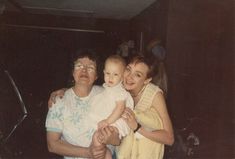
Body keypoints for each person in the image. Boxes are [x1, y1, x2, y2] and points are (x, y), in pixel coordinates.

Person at [49, 53, 174, 159]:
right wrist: (65, 91)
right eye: (129, 69)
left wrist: (137, 128)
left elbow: (169, 138)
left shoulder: (154, 94)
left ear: (147, 80)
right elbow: (90, 89)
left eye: (138, 74)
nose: (129, 77)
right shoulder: (118, 87)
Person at [45, 49, 120, 159]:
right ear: (73, 72)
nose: (84, 71)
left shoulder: (109, 95)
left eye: (90, 68)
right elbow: (52, 144)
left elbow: (119, 138)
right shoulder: (59, 101)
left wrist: (112, 138)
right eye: (79, 66)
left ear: (97, 75)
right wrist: (87, 153)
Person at [89, 55, 133, 159]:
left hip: (119, 122)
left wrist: (107, 122)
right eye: (108, 73)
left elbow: (120, 108)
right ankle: (106, 155)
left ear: (122, 77)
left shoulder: (119, 90)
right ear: (104, 72)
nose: (110, 77)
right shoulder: (110, 88)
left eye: (115, 74)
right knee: (99, 143)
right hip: (114, 120)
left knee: (97, 137)